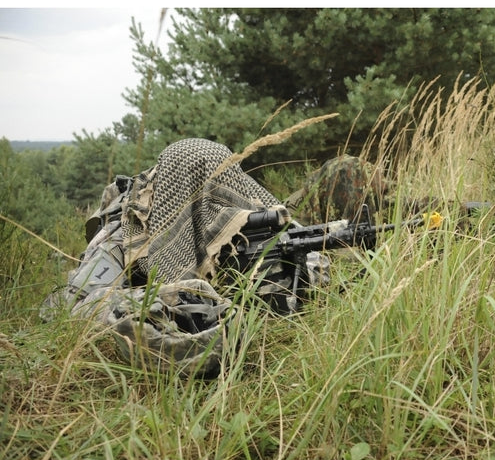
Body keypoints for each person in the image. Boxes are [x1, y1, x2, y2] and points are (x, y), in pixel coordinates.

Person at [45, 138, 384, 377]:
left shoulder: (242, 217)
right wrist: (171, 300)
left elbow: (312, 256)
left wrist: (279, 279)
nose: (216, 195)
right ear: (173, 187)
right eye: (201, 182)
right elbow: (67, 309)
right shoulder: (127, 237)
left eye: (221, 179)